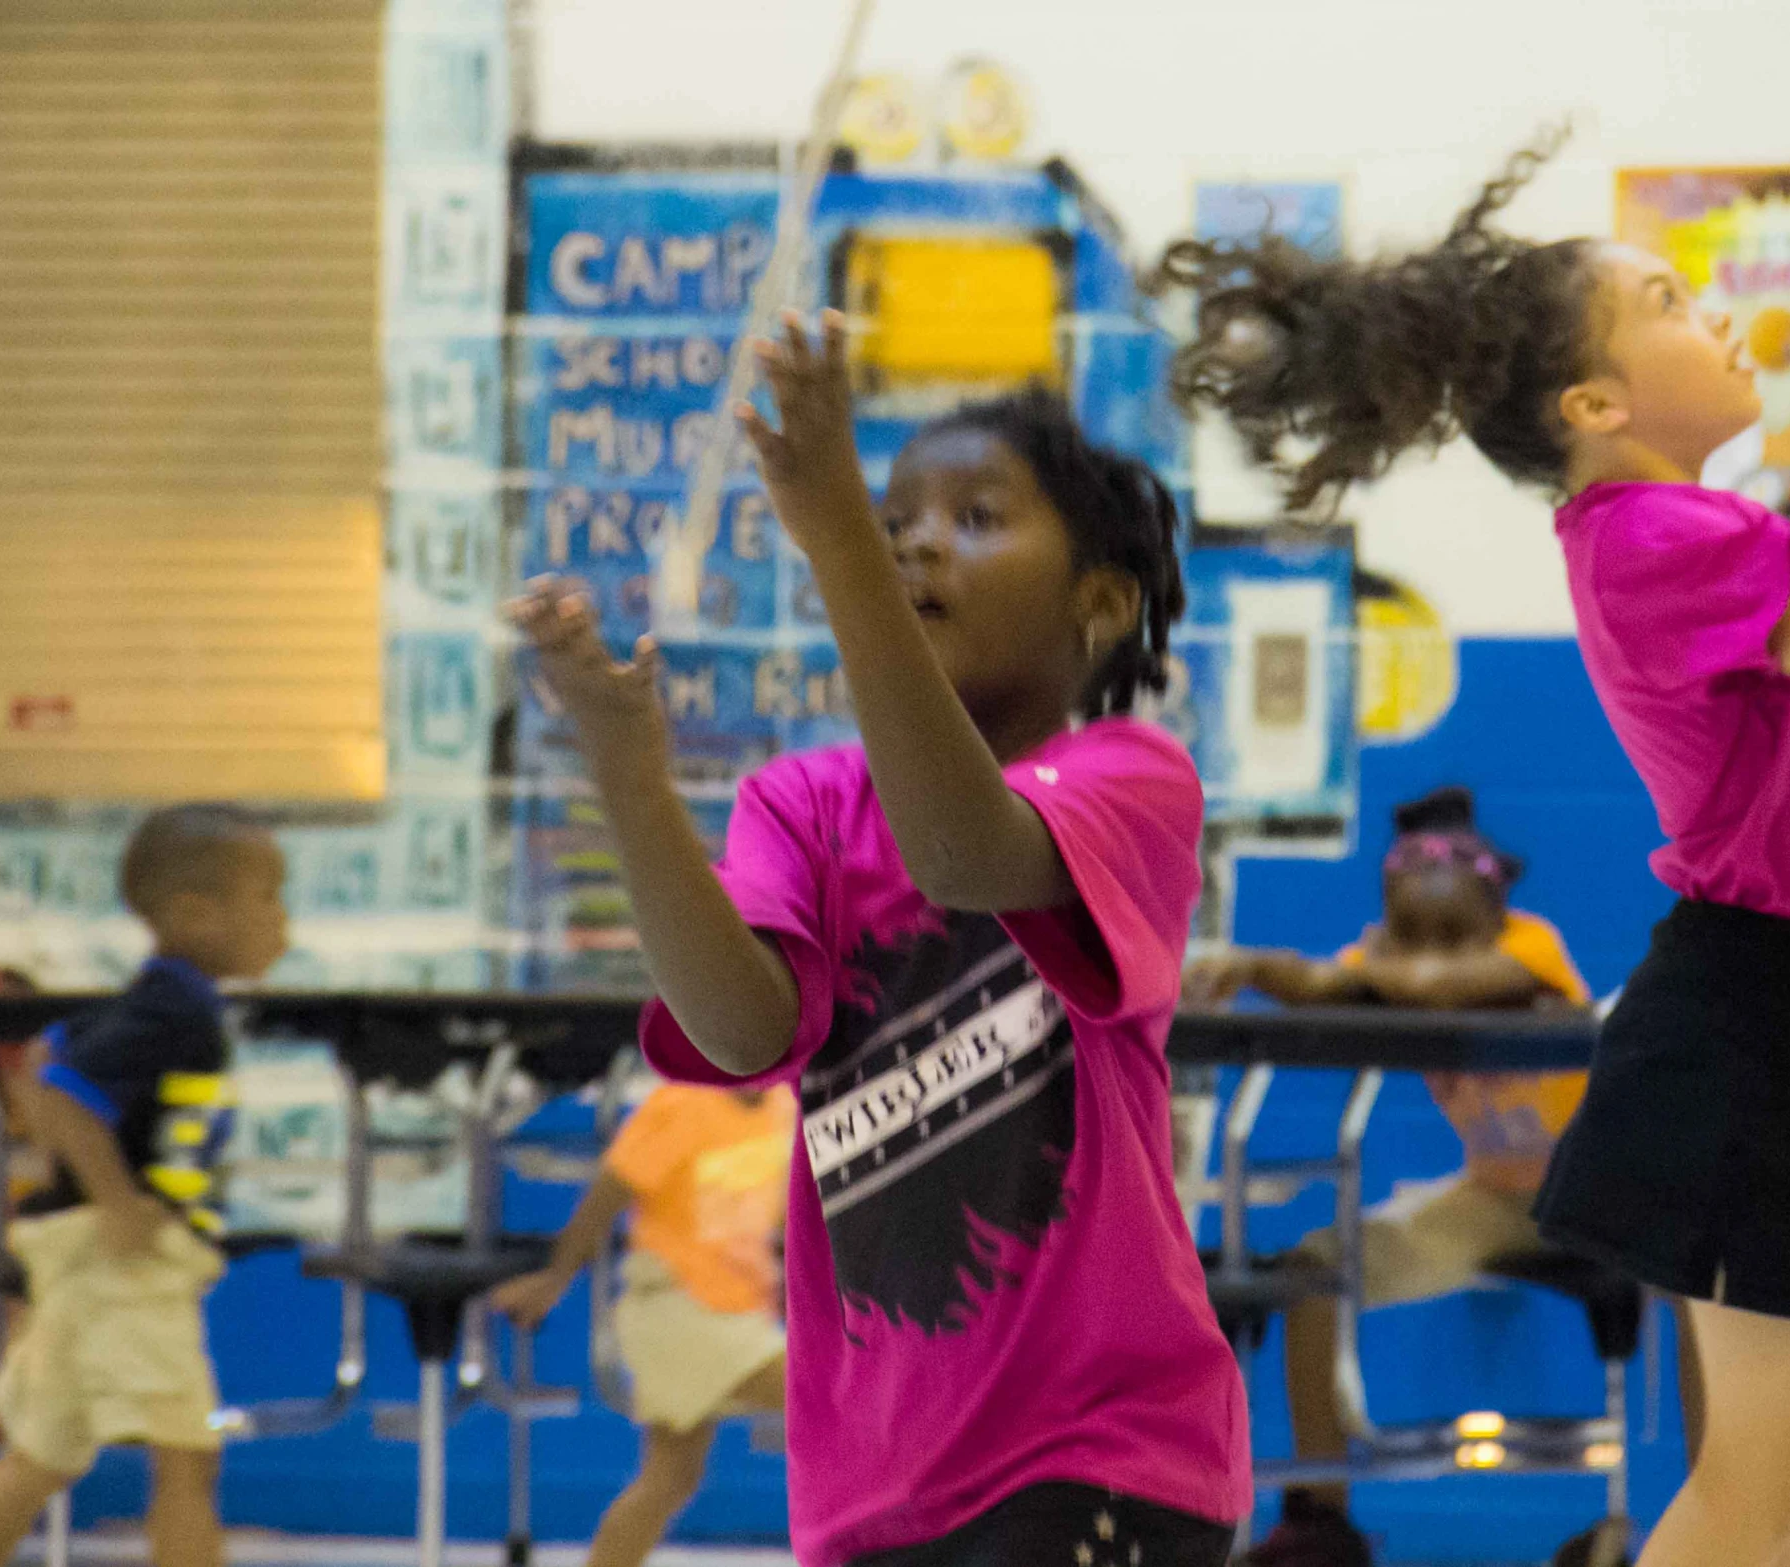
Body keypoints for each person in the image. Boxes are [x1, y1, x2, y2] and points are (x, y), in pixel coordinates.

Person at [1155, 133, 1790, 1567]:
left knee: (1781, 1477)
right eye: (1668, 300)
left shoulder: (1704, 530)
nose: (1712, 310)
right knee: (1763, 1479)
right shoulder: (1652, 536)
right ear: (1595, 402)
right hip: (1754, 1013)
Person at [506, 316, 1250, 1567]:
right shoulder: (797, 802)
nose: (916, 537)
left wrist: (841, 528)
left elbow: (963, 854)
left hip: (1098, 1450)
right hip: (874, 1475)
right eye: (898, 514)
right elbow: (742, 1035)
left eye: (974, 517)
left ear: (1103, 604)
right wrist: (629, 776)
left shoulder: (1131, 778)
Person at [1184, 787, 1590, 1567]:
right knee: (1310, 1269)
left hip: (1592, 1197)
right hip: (1495, 1195)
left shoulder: (1531, 947)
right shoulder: (1389, 957)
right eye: (1413, 926)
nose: (1425, 946)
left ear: (1491, 896)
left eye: (1446, 926)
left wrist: (1372, 967)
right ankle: (1320, 1522)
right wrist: (1249, 963)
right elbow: (1321, 984)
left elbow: (1439, 986)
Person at [0, 805, 289, 1567]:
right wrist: (118, 1201)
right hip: (123, 1262)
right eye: (268, 898)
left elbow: (44, 1065)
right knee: (187, 1456)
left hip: (89, 1257)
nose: (282, 921)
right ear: (195, 912)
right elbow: (62, 1090)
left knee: (43, 1456)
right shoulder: (176, 1009)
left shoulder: (151, 1002)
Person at [491, 1081, 795, 1567]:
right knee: (828, 1393)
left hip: (739, 1314)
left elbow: (775, 1218)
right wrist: (554, 1279)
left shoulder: (783, 1107)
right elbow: (606, 1197)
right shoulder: (682, 1104)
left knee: (670, 1478)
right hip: (679, 1309)